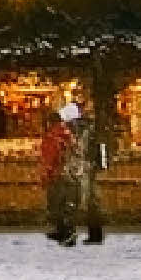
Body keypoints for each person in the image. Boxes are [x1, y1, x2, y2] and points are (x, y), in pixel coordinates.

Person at [42, 102, 106, 245]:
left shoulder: (72, 130)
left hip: (76, 168)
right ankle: (93, 234)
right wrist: (100, 164)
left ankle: (69, 233)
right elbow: (99, 146)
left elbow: (71, 149)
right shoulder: (89, 128)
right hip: (86, 168)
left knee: (71, 202)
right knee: (88, 202)